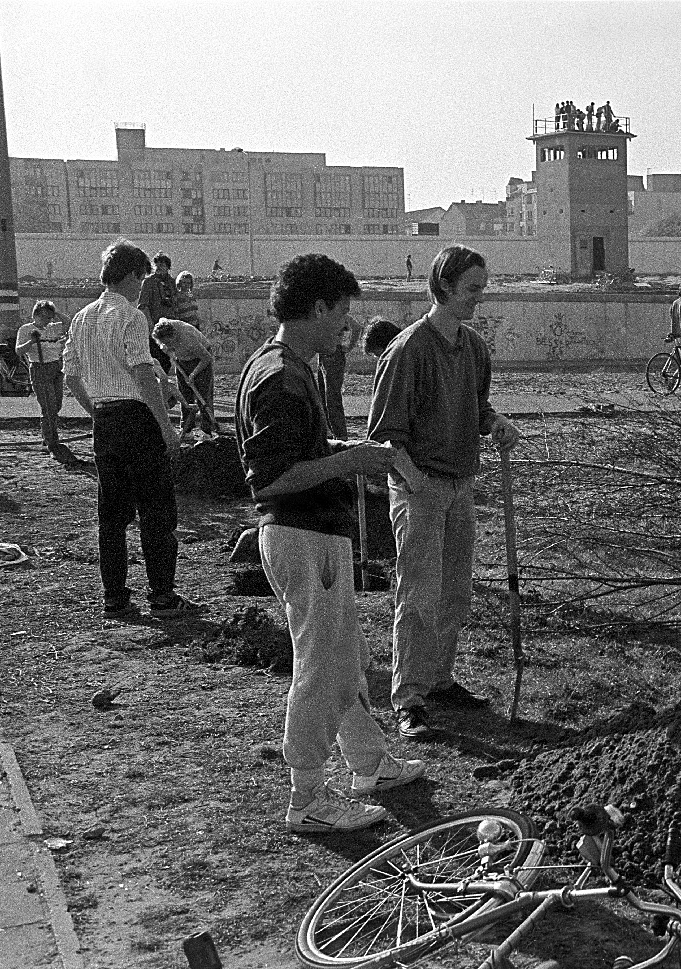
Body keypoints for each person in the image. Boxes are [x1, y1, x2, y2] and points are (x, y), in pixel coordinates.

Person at [236, 253, 426, 834]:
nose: (346, 327)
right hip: (302, 535)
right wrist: (356, 458)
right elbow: (269, 478)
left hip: (314, 535)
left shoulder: (283, 365)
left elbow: (303, 450)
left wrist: (352, 452)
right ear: (317, 307)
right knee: (320, 667)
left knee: (343, 658)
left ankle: (369, 764)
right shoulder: (282, 378)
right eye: (341, 313)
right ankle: (307, 797)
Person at [369, 245, 522, 741]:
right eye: (472, 288)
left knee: (454, 590)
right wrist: (412, 483)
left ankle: (440, 679)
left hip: (461, 483)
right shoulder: (408, 349)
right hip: (418, 486)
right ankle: (408, 697)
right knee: (418, 594)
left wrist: (495, 422)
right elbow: (385, 432)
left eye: (482, 287)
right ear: (444, 287)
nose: (479, 297)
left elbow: (478, 409)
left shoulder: (475, 348)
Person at [62, 240, 202, 620]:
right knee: (156, 508)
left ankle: (115, 597)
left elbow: (71, 375)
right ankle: (162, 595)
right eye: (141, 277)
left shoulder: (82, 317)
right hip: (136, 419)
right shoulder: (131, 316)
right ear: (130, 276)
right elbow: (141, 373)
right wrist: (167, 429)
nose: (143, 285)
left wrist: (95, 410)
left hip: (105, 420)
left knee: (111, 514)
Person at [16, 301, 70, 458]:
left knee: (57, 405)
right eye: (44, 317)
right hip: (39, 368)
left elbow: (68, 322)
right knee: (48, 406)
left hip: (56, 368)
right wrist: (32, 342)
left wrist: (55, 312)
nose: (48, 321)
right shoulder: (26, 329)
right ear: (35, 316)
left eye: (50, 317)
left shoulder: (52, 327)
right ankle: (51, 441)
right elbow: (19, 351)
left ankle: (49, 437)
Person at [152, 318, 218, 439]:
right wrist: (166, 348)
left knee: (203, 395)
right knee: (185, 395)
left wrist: (193, 374)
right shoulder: (162, 328)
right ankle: (187, 430)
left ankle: (206, 431)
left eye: (168, 342)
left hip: (200, 360)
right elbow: (161, 339)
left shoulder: (188, 337)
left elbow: (206, 358)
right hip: (181, 361)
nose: (166, 345)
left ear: (173, 336)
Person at [318, 318, 356, 439]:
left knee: (332, 399)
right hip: (324, 354)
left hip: (333, 353)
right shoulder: (323, 312)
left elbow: (357, 326)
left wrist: (349, 346)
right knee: (323, 397)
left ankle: (340, 436)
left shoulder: (334, 312)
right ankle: (331, 434)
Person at [136, 251, 177, 365]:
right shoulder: (149, 282)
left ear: (168, 267)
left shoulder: (172, 282)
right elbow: (143, 305)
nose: (159, 267)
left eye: (162, 265)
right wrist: (150, 325)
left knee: (169, 359)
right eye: (156, 265)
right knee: (156, 358)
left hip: (171, 326)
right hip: (155, 326)